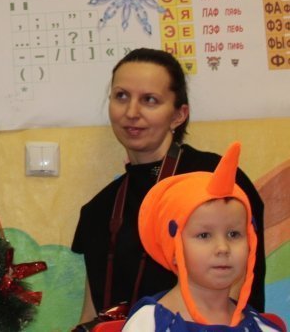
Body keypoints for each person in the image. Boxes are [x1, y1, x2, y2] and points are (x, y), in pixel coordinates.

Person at [72, 48, 265, 324]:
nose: (131, 112)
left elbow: (236, 287)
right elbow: (90, 314)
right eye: (121, 96)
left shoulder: (216, 180)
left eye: (149, 100)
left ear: (178, 115)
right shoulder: (99, 209)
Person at [122, 142, 284, 331]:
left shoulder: (264, 328)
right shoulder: (148, 325)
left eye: (234, 234)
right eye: (204, 235)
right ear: (173, 248)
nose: (223, 248)